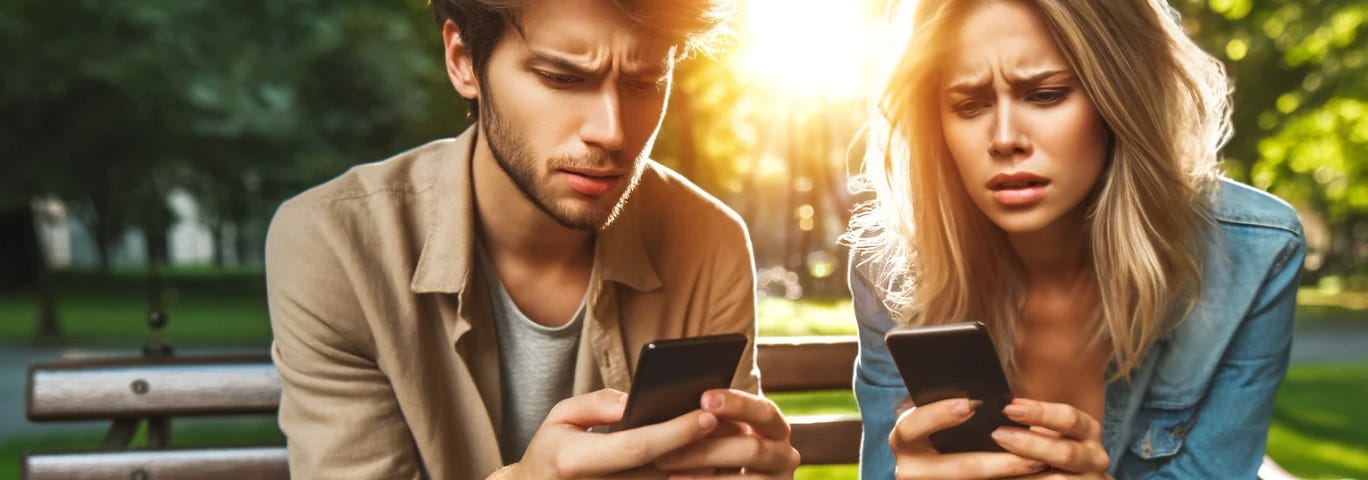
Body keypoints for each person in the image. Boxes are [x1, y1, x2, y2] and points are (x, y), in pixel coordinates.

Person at [263, 0, 800, 478]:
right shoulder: (334, 246)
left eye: (643, 82)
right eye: (562, 78)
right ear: (463, 61)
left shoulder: (710, 240)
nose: (612, 131)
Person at [845, 0, 1306, 478]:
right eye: (970, 104)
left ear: (1120, 98)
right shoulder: (891, 264)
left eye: (1045, 95)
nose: (1005, 138)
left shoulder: (1254, 253)